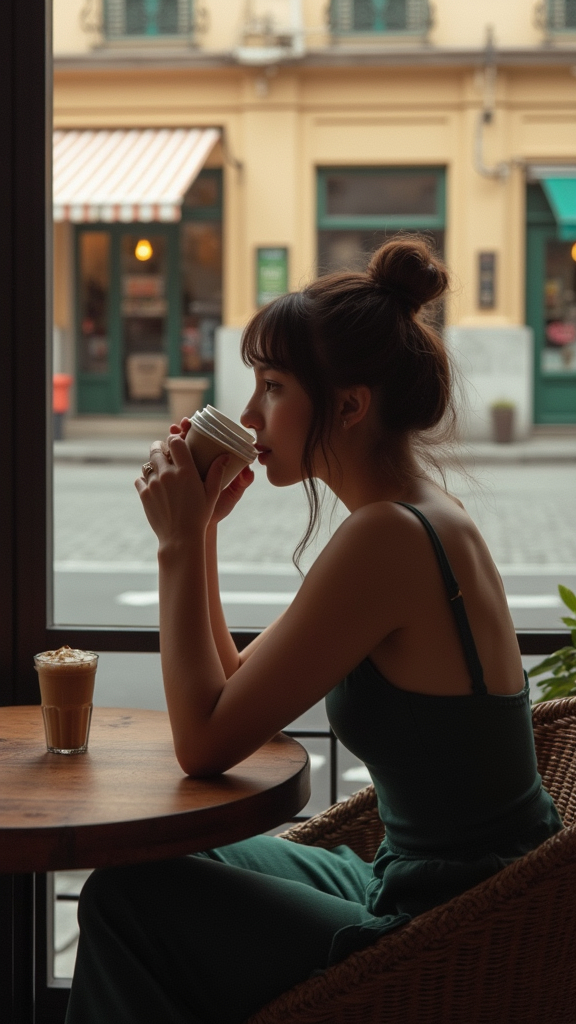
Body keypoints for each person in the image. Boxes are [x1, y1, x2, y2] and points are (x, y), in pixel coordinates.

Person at [65, 237, 562, 1024]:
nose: (251, 414)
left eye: (272, 386)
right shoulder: (418, 514)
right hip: (431, 878)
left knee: (129, 899)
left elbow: (205, 740)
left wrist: (174, 544)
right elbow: (238, 703)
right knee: (154, 856)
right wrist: (205, 532)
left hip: (445, 921)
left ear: (351, 404)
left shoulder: (388, 538)